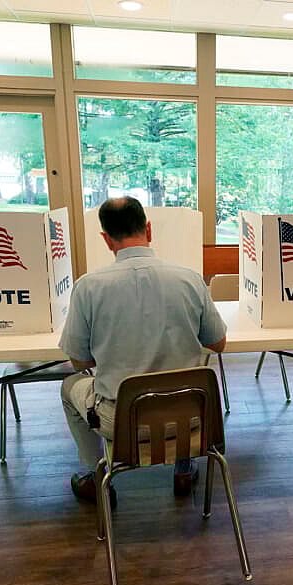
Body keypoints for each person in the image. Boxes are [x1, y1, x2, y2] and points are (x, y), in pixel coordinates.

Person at [59, 196, 227, 505]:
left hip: (123, 422)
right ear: (148, 230)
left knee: (70, 387)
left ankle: (96, 477)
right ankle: (184, 466)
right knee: (182, 378)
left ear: (106, 240)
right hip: (191, 417)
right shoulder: (190, 279)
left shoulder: (88, 287)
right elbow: (217, 344)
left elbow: (80, 361)